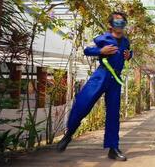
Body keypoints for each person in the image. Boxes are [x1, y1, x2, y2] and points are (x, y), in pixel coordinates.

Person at [56, 11, 132, 161]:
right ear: (110, 25)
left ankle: (113, 148)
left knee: (113, 114)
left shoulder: (126, 41)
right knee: (82, 105)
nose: (120, 25)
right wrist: (100, 51)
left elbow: (129, 53)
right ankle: (69, 134)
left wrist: (130, 55)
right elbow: (87, 50)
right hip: (100, 76)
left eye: (123, 22)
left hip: (115, 80)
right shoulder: (101, 38)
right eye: (117, 22)